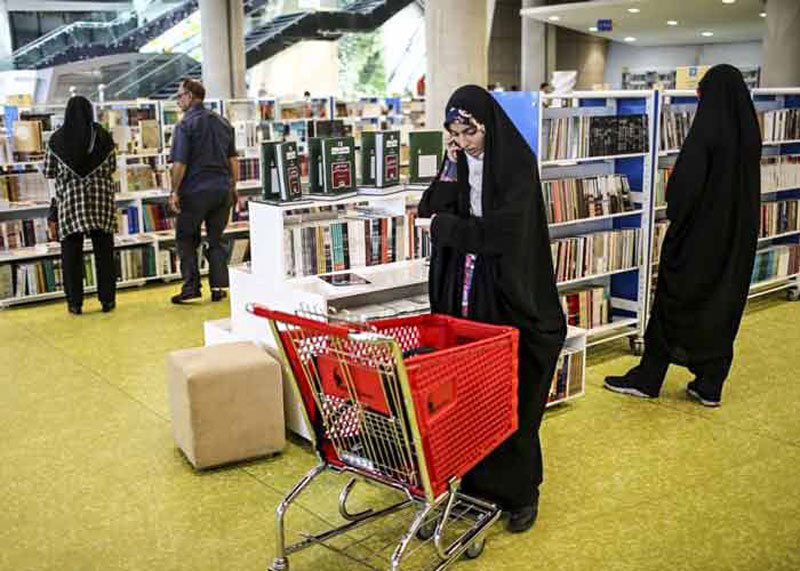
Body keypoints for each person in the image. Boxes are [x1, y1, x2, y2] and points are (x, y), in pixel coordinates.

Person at [418, 85, 566, 533]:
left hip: (511, 301)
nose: (463, 141)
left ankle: (520, 493)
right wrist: (448, 165)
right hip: (466, 300)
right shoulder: (458, 162)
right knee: (472, 401)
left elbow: (500, 235)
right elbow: (429, 209)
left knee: (513, 400)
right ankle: (475, 488)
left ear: (489, 126)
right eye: (454, 133)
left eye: (469, 132)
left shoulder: (517, 165)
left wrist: (447, 228)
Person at [604, 64, 761, 407]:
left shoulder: (706, 132)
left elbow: (683, 190)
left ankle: (648, 378)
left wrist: (674, 212)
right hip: (736, 241)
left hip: (697, 240)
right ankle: (709, 383)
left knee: (672, 302)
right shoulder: (749, 133)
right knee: (722, 305)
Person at [43, 95, 117, 315]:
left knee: (71, 256)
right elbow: (112, 167)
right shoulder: (104, 136)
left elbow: (49, 171)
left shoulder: (57, 140)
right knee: (104, 254)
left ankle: (75, 303)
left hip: (71, 205)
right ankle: (107, 301)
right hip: (101, 203)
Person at [169, 78, 238, 304]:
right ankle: (218, 288)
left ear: (190, 96)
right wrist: (233, 186)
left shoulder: (184, 125)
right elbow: (233, 160)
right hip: (221, 190)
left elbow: (180, 163)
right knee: (216, 239)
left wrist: (173, 191)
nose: (178, 100)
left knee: (185, 237)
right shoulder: (223, 122)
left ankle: (191, 286)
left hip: (195, 191)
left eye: (180, 96)